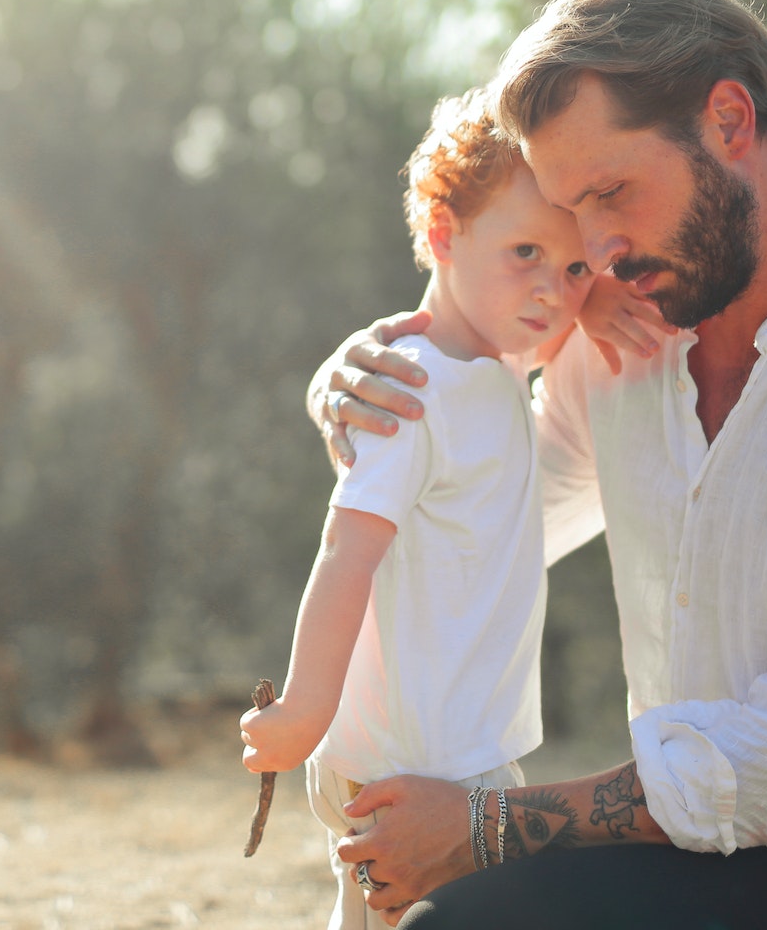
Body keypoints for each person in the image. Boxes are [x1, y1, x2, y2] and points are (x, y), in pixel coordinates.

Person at [310, 0, 767, 930]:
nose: (599, 251)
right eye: (573, 217)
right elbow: (473, 516)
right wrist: (381, 389)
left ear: (729, 121)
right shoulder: (621, 352)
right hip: (682, 866)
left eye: (613, 192)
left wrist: (480, 826)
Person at [240, 88, 595, 930]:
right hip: (416, 759)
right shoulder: (412, 388)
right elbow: (346, 554)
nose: (553, 288)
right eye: (525, 252)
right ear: (442, 231)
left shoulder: (498, 371)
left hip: (447, 747)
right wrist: (302, 710)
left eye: (576, 267)